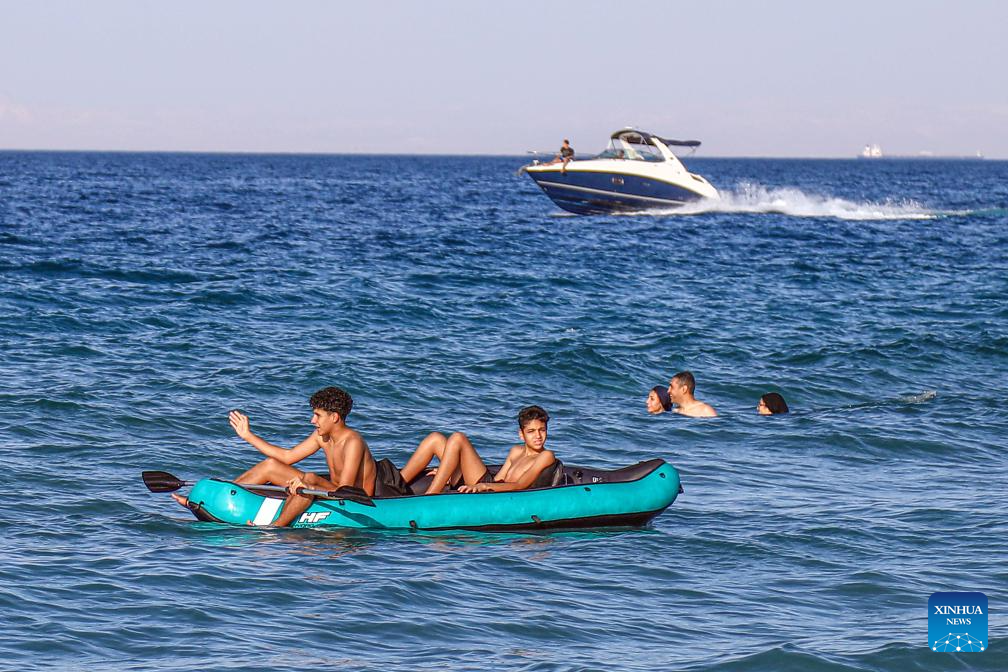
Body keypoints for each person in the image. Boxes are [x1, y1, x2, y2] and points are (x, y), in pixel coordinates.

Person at [171, 386, 378, 527]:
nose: (312, 420)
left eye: (318, 415)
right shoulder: (321, 436)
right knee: (271, 465)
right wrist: (248, 436)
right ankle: (216, 500)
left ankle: (275, 527)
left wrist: (311, 481)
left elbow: (345, 490)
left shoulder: (353, 442)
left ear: (334, 417)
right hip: (332, 490)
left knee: (309, 478)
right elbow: (286, 457)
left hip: (356, 499)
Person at [395, 405, 558, 494]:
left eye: (542, 430)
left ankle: (430, 496)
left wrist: (483, 487)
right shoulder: (516, 451)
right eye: (531, 431)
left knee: (458, 438)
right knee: (435, 439)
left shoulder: (546, 456)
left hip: (492, 492)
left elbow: (520, 485)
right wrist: (446, 469)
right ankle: (394, 485)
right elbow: (498, 479)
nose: (538, 436)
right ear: (521, 434)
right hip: (490, 484)